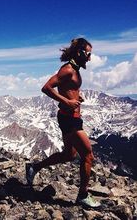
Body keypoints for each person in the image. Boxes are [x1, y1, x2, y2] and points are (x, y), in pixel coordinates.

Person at [26, 38, 101, 208]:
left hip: (72, 118)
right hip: (69, 119)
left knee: (69, 155)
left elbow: (69, 88)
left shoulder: (75, 69)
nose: (89, 58)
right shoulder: (67, 69)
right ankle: (83, 195)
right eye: (88, 54)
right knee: (88, 155)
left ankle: (34, 167)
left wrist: (75, 97)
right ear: (79, 52)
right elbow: (46, 88)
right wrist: (67, 102)